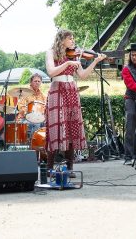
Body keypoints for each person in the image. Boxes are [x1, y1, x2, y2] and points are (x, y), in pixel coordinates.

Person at [45, 29, 106, 185]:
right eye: (70, 38)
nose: (73, 41)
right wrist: (68, 62)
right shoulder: (51, 52)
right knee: (56, 127)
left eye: (73, 38)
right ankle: (49, 167)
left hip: (71, 89)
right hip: (57, 89)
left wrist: (95, 61)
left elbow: (83, 75)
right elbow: (51, 72)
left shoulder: (74, 54)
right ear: (62, 40)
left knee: (72, 126)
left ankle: (69, 167)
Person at [14, 73, 48, 143]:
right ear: (31, 82)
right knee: (36, 123)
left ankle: (43, 145)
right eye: (35, 81)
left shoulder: (42, 96)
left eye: (39, 81)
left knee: (48, 123)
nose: (37, 83)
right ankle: (33, 145)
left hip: (39, 118)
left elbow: (46, 107)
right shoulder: (25, 94)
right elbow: (21, 108)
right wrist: (29, 113)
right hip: (24, 119)